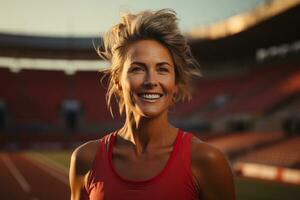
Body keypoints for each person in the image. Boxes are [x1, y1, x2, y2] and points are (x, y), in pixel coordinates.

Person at [69, 9, 235, 200]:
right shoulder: (85, 159)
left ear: (174, 82)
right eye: (138, 69)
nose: (151, 80)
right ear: (117, 80)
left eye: (162, 69)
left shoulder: (207, 160)